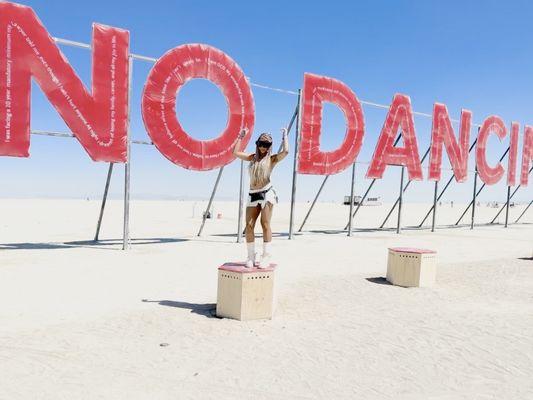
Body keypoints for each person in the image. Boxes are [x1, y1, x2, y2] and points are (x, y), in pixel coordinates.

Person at [233, 127, 289, 268]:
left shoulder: (272, 159)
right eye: (261, 144)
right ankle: (251, 256)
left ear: (270, 146)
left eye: (267, 145)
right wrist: (240, 136)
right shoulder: (252, 158)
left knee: (265, 224)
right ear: (257, 144)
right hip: (252, 194)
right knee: (249, 225)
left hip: (266, 193)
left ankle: (266, 256)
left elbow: (286, 152)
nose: (263, 147)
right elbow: (235, 153)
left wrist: (285, 137)